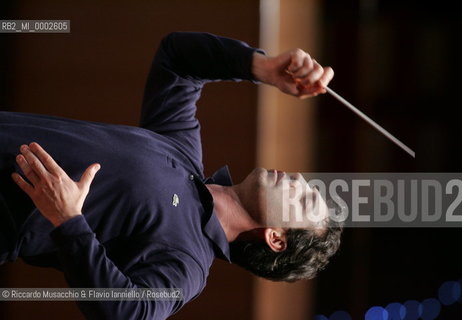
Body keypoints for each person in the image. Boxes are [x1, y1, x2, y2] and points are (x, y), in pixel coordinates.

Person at [0, 32, 341, 319]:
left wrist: (68, 220)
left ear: (276, 239)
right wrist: (261, 67)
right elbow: (177, 59)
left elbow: (130, 313)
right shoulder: (183, 152)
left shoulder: (188, 262)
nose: (297, 180)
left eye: (304, 199)